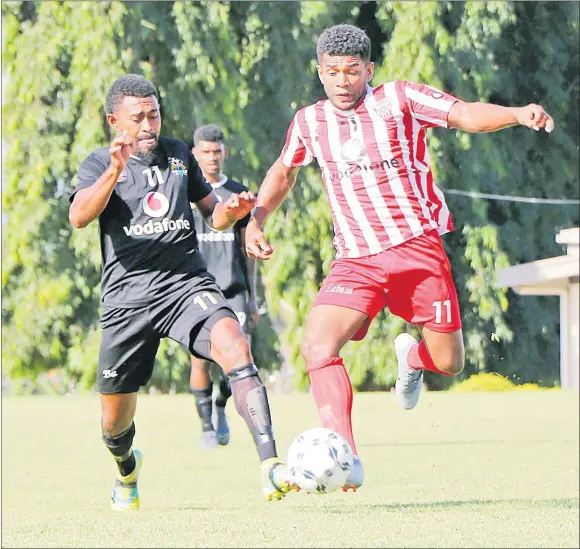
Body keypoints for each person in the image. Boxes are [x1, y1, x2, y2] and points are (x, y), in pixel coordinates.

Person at [245, 24, 554, 492]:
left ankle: (414, 360)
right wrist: (256, 218)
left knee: (450, 362)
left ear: (369, 70)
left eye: (352, 71)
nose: (343, 81)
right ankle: (344, 456)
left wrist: (517, 113)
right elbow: (284, 169)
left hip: (417, 250)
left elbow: (466, 114)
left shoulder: (399, 99)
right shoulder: (309, 121)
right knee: (317, 348)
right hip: (356, 261)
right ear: (320, 72)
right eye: (333, 72)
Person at [69, 74, 296, 509]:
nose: (149, 125)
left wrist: (232, 212)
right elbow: (80, 216)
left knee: (236, 347)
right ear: (115, 120)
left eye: (154, 114)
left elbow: (213, 216)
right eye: (138, 118)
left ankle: (271, 466)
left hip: (186, 285)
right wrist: (116, 170)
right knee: (114, 424)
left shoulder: (178, 155)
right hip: (127, 300)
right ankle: (127, 470)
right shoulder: (99, 164)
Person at [188, 123, 260, 449]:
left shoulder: (238, 192)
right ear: (195, 154)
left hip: (234, 289)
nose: (212, 157)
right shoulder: (185, 193)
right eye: (205, 152)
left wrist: (254, 296)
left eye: (217, 151)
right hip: (198, 289)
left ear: (224, 153)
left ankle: (220, 406)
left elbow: (249, 248)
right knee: (200, 360)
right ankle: (205, 427)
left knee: (239, 358)